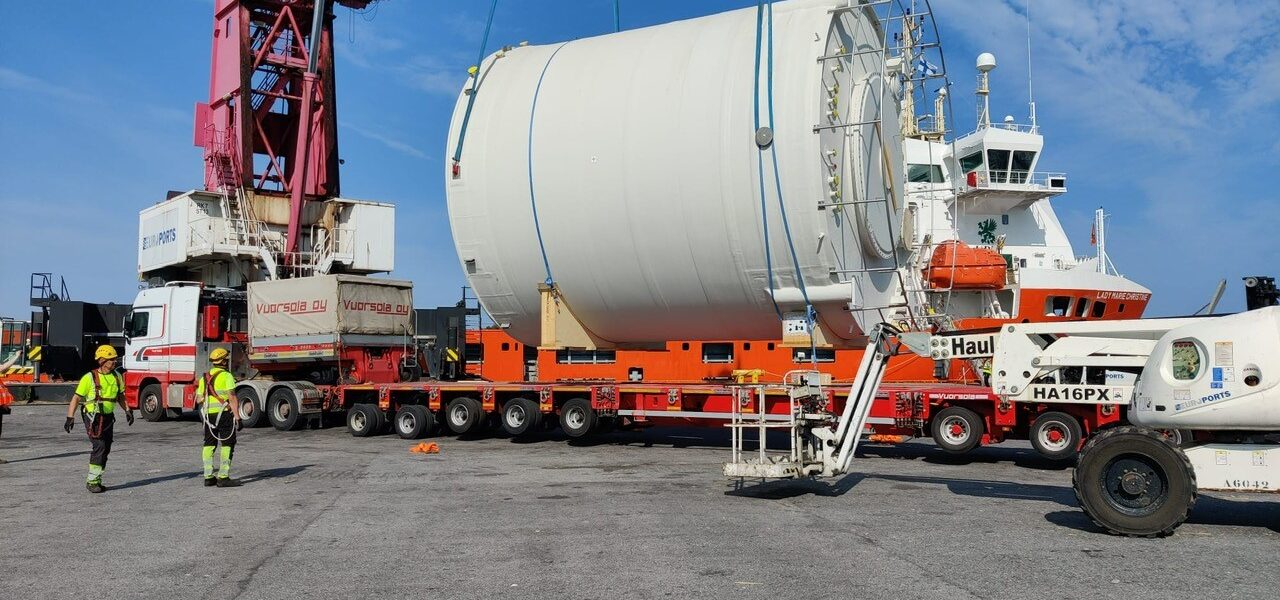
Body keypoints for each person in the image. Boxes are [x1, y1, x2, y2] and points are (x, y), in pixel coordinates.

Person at [64, 345, 133, 493]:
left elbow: (120, 396)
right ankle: (92, 481)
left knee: (106, 448)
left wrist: (128, 410)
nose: (115, 361)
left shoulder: (117, 376)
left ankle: (97, 479)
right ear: (102, 360)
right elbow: (76, 398)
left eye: (115, 359)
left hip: (108, 418)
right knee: (100, 446)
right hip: (93, 417)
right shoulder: (89, 378)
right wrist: (70, 417)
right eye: (111, 359)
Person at [196, 348, 242, 487]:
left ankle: (208, 476)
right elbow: (232, 397)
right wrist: (238, 417)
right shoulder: (227, 376)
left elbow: (199, 399)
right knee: (228, 444)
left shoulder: (204, 377)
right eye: (226, 359)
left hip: (209, 416)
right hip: (224, 415)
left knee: (209, 444)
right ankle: (223, 476)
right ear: (223, 361)